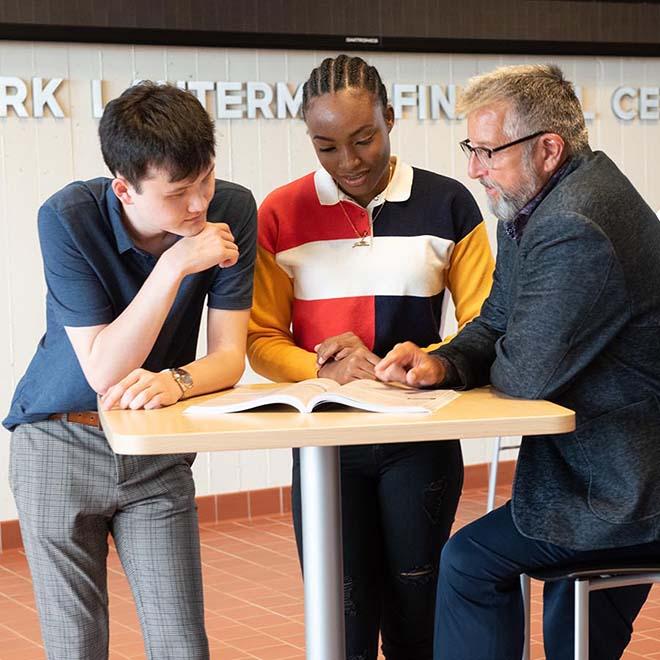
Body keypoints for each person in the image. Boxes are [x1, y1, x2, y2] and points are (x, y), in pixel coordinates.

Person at [375, 64, 660, 660]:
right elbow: (500, 319)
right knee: (564, 623)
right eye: (470, 149)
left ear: (548, 149)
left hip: (627, 487)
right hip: (595, 470)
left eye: (486, 152)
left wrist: (501, 351)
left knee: (469, 564)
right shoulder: (532, 202)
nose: (474, 169)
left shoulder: (574, 223)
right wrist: (444, 363)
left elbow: (526, 374)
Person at [247, 54, 494, 660]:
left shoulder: (449, 203)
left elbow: (487, 323)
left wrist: (427, 359)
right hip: (326, 444)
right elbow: (259, 339)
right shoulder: (280, 213)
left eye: (365, 139)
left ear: (391, 117)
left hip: (421, 439)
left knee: (418, 620)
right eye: (326, 146)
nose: (350, 162)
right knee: (343, 625)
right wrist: (316, 367)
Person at [3, 82, 257, 660]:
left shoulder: (233, 209)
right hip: (56, 443)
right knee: (77, 648)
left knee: (182, 646)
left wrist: (175, 382)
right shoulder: (68, 217)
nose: (199, 205)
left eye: (206, 181)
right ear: (124, 188)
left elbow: (227, 357)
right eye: (179, 193)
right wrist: (172, 267)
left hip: (154, 449)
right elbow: (103, 370)